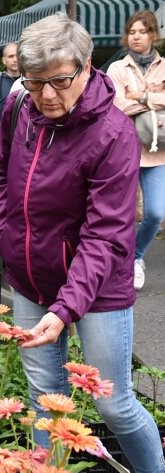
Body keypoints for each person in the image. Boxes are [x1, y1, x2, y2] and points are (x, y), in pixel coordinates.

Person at [0, 13, 165, 473]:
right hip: (29, 276)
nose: (47, 96)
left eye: (60, 81)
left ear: (87, 68)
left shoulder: (112, 133)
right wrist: (1, 232)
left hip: (98, 286)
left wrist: (65, 309)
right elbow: (1, 171)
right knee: (45, 400)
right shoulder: (18, 106)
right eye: (35, 82)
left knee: (114, 403)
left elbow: (106, 234)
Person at [107, 10, 165, 291]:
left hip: (158, 152)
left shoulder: (164, 66)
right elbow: (115, 105)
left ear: (153, 35)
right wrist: (156, 102)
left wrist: (141, 97)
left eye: (142, 32)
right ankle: (116, 261)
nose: (136, 37)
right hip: (125, 150)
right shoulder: (117, 69)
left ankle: (136, 256)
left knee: (155, 212)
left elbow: (130, 101)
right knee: (121, 212)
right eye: (132, 32)